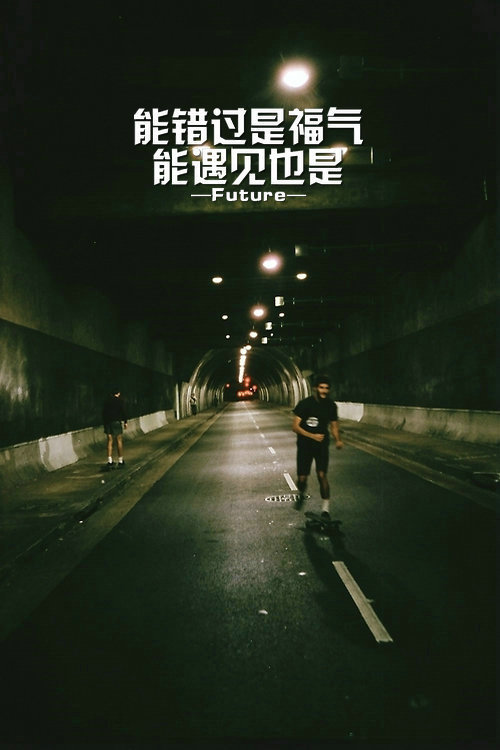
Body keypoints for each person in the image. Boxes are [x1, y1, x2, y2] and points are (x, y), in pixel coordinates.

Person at [292, 375, 343, 518]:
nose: (324, 391)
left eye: (327, 388)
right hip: (305, 446)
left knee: (322, 475)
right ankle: (301, 491)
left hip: (321, 446)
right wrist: (312, 436)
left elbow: (334, 426)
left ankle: (325, 510)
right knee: (302, 479)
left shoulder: (331, 406)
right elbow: (295, 427)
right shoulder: (305, 404)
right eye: (321, 387)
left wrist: (338, 440)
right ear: (315, 388)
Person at [102, 388, 128, 469]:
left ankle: (110, 461)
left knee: (110, 441)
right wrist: (125, 422)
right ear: (118, 393)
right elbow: (123, 411)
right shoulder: (120, 401)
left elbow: (103, 413)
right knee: (119, 441)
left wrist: (105, 423)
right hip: (116, 422)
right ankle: (120, 461)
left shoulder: (107, 401)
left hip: (108, 423)